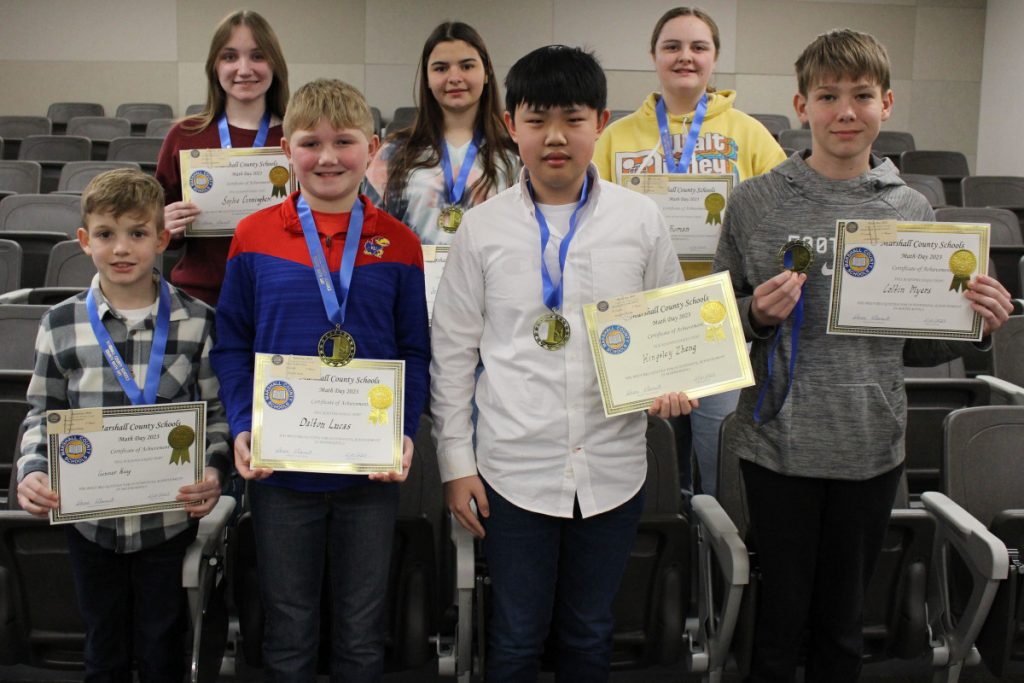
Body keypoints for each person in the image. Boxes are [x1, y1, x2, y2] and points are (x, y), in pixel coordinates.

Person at [713, 29, 1013, 682]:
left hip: (871, 444)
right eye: (828, 96)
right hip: (775, 446)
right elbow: (716, 329)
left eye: (861, 95)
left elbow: (925, 341)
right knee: (777, 624)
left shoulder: (911, 208)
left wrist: (978, 322)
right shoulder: (755, 203)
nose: (845, 111)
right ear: (801, 106)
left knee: (843, 626)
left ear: (887, 103)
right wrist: (756, 315)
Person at [431, 45, 698, 683]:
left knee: (588, 634)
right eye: (537, 119)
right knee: (517, 637)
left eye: (573, 119)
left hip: (611, 466)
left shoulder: (641, 220)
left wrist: (676, 383)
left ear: (599, 121)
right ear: (510, 122)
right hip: (512, 468)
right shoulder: (482, 229)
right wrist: (455, 464)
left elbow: (670, 333)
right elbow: (452, 353)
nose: (556, 137)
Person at [211, 78, 430, 682]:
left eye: (344, 142)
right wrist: (244, 424)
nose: (327, 157)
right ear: (287, 148)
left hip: (371, 471)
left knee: (362, 629)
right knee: (288, 627)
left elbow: (415, 350)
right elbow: (230, 344)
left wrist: (404, 431)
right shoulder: (253, 236)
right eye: (310, 143)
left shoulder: (402, 244)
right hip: (282, 471)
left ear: (374, 148)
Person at [16, 169, 230, 682]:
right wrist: (33, 469)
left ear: (162, 238)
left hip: (167, 522)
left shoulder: (198, 321)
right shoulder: (61, 323)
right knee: (102, 648)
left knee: (162, 648)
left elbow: (216, 415)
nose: (122, 249)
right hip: (90, 523)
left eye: (138, 234)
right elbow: (42, 412)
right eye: (107, 235)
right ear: (85, 240)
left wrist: (214, 472)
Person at [594, 6, 785, 498]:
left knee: (716, 462)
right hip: (640, 321)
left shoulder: (749, 134)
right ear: (653, 57)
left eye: (698, 47)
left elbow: (782, 219)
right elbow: (592, 221)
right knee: (649, 465)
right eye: (672, 47)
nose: (685, 57)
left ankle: (718, 565)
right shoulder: (616, 137)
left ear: (715, 58)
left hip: (716, 319)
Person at [155, 9, 289, 306]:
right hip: (201, 301)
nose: (244, 69)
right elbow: (156, 229)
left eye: (257, 56)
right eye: (230, 57)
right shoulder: (185, 136)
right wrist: (164, 224)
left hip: (278, 298)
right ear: (214, 66)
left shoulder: (299, 138)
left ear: (275, 64)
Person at [364, 21, 518, 244]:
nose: (454, 77)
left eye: (467, 66)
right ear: (427, 78)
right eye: (441, 68)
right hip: (414, 278)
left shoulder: (515, 151)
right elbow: (371, 233)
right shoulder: (395, 152)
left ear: (486, 73)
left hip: (492, 278)